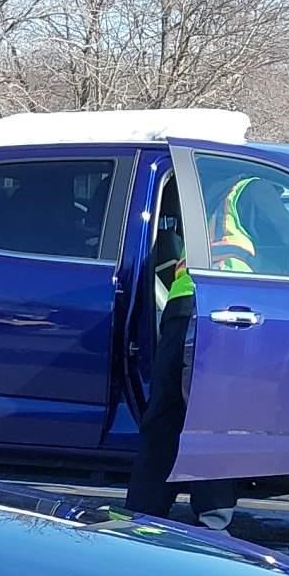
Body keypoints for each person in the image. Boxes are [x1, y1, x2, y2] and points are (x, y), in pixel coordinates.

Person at [124, 182, 237, 528]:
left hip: (182, 302)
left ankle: (141, 514)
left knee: (165, 416)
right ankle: (211, 525)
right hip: (224, 308)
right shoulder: (255, 188)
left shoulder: (216, 186)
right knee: (214, 418)